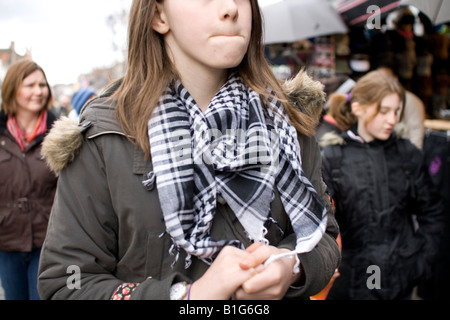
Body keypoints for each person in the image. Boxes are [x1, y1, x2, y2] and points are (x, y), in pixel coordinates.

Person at [37, 0, 340, 300]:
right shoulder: (103, 133)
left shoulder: (287, 119)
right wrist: (186, 296)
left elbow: (323, 235)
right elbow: (68, 283)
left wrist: (293, 265)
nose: (231, 8)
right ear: (159, 15)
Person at [321, 70, 444, 300]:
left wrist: (420, 261)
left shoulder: (406, 153)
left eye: (396, 111)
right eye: (384, 111)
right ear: (358, 108)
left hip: (402, 274)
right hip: (356, 277)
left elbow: (432, 212)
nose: (392, 120)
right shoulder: (333, 157)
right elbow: (322, 220)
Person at [0, 60, 58, 300]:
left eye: (42, 85)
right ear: (13, 89)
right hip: (6, 240)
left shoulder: (60, 133)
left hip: (48, 241)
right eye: (30, 85)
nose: (39, 91)